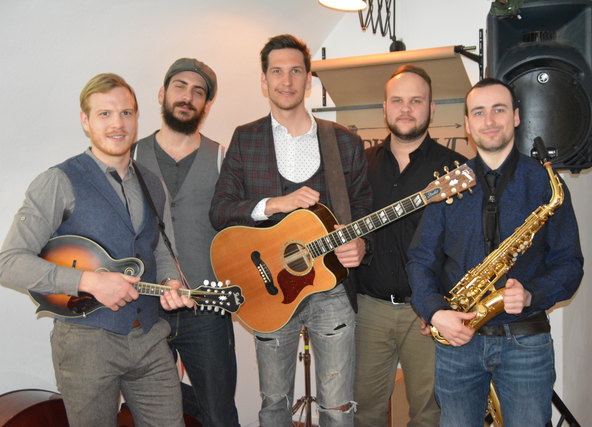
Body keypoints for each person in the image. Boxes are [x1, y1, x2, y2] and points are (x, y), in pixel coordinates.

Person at [0, 73, 194, 426]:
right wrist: (88, 281)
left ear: (137, 118)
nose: (117, 124)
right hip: (86, 343)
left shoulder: (152, 182)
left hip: (150, 338)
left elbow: (162, 250)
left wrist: (172, 282)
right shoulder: (57, 181)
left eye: (126, 113)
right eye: (104, 114)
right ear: (85, 121)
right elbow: (9, 263)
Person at [210, 34, 372, 427]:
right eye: (277, 72)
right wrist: (273, 205)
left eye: (296, 71)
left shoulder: (345, 142)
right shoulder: (245, 139)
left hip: (330, 288)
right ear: (264, 82)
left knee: (338, 408)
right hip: (268, 292)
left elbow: (364, 205)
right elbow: (220, 211)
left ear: (309, 80)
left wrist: (361, 243)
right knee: (274, 404)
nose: (286, 80)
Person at [406, 77, 584, 426]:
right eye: (479, 112)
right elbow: (420, 259)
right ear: (468, 125)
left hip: (526, 342)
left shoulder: (547, 184)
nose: (489, 120)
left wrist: (533, 294)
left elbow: (570, 264)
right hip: (459, 342)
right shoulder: (447, 185)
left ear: (516, 117)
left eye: (499, 110)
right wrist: (435, 312)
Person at [354, 64, 466, 427]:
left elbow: (466, 249)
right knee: (364, 411)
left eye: (416, 101)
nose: (406, 108)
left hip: (428, 314)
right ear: (384, 108)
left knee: (428, 414)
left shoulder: (455, 169)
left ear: (431, 109)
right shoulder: (360, 166)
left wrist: (438, 305)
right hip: (368, 310)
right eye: (397, 100)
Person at [133, 58, 240, 427]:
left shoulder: (223, 157)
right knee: (145, 406)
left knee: (219, 410)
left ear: (207, 106)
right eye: (180, 86)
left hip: (207, 308)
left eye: (199, 92)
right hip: (143, 308)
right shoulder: (129, 155)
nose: (188, 97)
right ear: (162, 94)